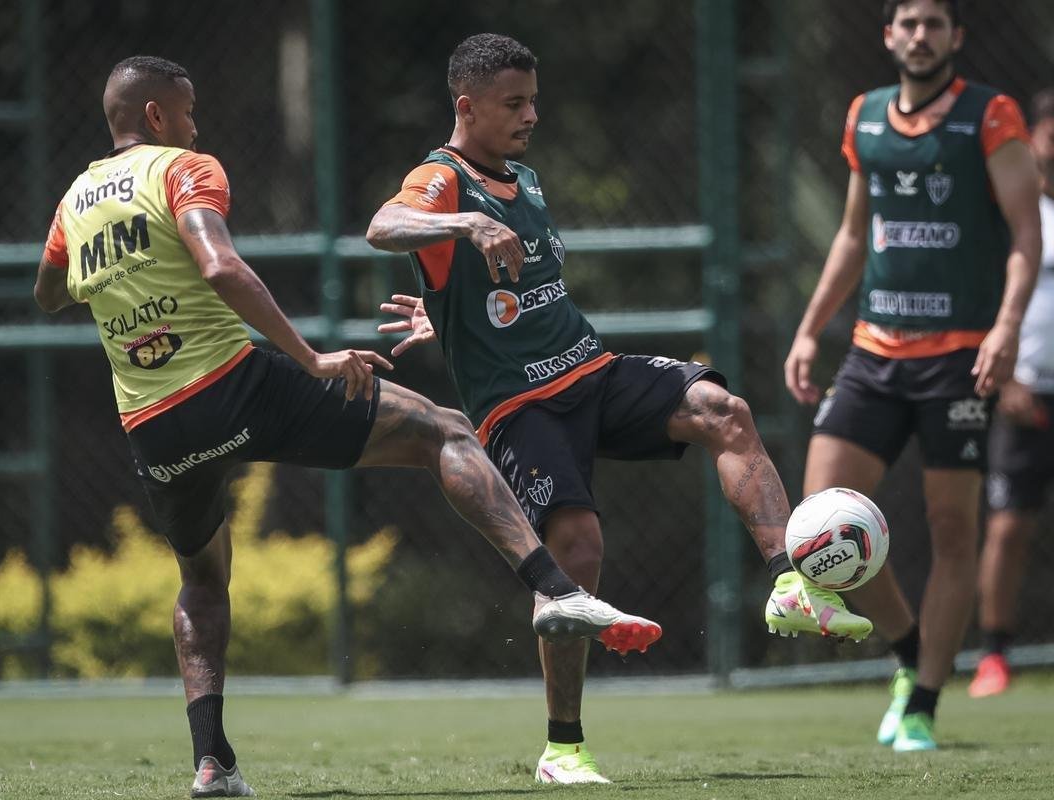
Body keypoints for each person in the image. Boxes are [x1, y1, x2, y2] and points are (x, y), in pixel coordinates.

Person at [34, 55, 662, 798]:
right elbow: (219, 266)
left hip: (153, 423)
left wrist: (129, 289)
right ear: (157, 117)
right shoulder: (183, 167)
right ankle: (556, 590)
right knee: (445, 431)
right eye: (189, 109)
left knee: (202, 580)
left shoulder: (75, 200)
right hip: (233, 386)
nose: (197, 123)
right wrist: (312, 358)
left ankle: (213, 764)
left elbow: (48, 293)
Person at [366, 33, 871, 785]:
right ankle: (563, 748)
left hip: (592, 370)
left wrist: (450, 314)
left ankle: (790, 584)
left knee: (722, 410)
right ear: (465, 107)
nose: (531, 114)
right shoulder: (442, 180)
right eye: (514, 103)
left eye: (534, 99)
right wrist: (462, 225)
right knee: (580, 552)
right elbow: (384, 225)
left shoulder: (526, 182)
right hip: (520, 407)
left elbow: (513, 299)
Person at [783, 0, 1040, 751]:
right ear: (889, 35)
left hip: (959, 357)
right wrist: (807, 330)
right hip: (873, 353)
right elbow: (853, 235)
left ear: (955, 37)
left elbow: (1026, 235)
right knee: (821, 521)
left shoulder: (989, 117)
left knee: (953, 529)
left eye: (935, 23)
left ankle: (924, 704)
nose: (920, 36)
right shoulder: (864, 117)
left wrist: (1006, 329)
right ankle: (906, 654)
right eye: (909, 23)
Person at [969, 88, 1054, 699]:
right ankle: (994, 655)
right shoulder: (1013, 219)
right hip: (1026, 395)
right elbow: (984, 304)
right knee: (1007, 528)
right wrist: (1007, 381)